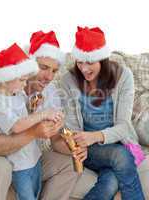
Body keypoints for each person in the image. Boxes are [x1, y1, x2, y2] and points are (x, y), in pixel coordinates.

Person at [0, 30, 82, 200]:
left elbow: (55, 142)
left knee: (71, 165)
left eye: (54, 71)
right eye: (43, 67)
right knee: (1, 167)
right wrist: (35, 131)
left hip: (26, 155)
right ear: (28, 64)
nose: (49, 77)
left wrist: (74, 149)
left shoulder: (51, 92)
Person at [58, 26, 145, 200]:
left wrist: (96, 135)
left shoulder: (123, 76)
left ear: (102, 60)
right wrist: (85, 143)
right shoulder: (68, 81)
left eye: (89, 62)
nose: (84, 68)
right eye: (80, 62)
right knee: (120, 156)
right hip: (89, 149)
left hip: (118, 144)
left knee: (111, 181)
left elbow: (124, 127)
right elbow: (74, 130)